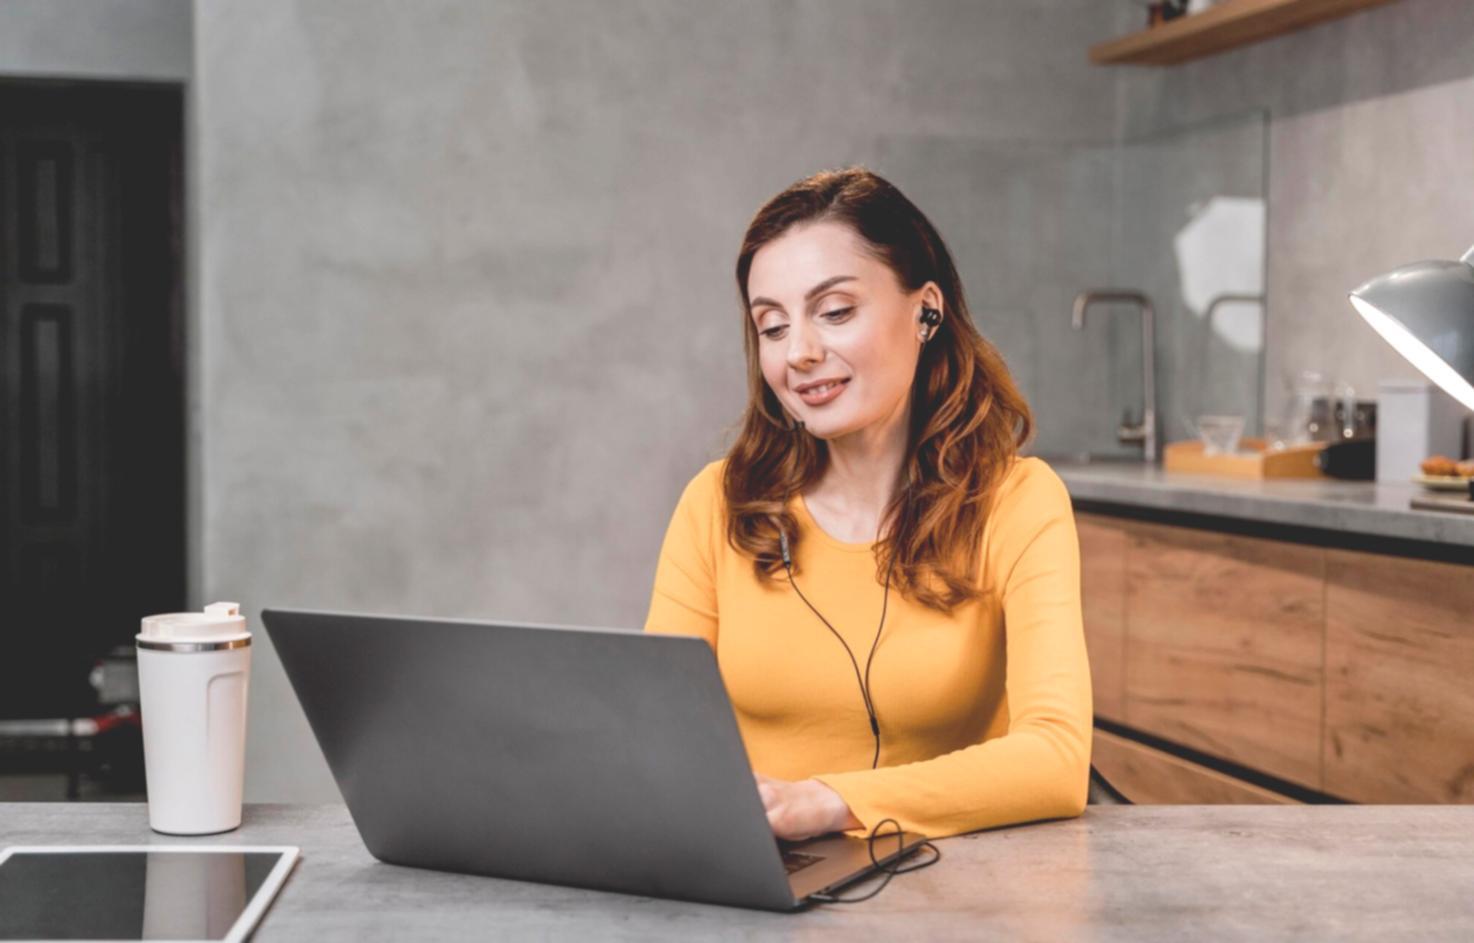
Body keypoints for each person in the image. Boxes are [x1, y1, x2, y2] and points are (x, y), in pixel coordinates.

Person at [643, 167, 1091, 842]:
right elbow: (652, 734)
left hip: (955, 894)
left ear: (926, 309)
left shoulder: (1018, 502)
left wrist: (830, 801)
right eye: (771, 325)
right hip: (755, 886)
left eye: (835, 312)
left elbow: (1056, 760)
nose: (799, 352)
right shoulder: (717, 503)